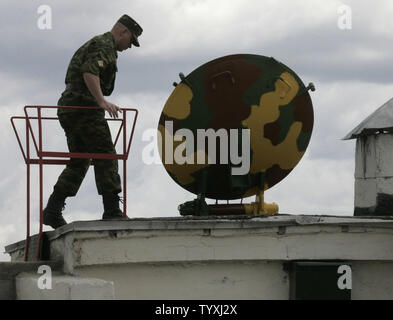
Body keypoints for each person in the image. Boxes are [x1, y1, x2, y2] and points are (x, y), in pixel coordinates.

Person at [43, 14, 143, 229]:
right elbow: (89, 71)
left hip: (72, 107)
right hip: (83, 108)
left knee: (80, 160)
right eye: (130, 40)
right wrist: (102, 102)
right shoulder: (104, 45)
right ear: (123, 31)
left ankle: (52, 209)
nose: (130, 46)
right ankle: (112, 210)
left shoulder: (102, 45)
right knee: (106, 154)